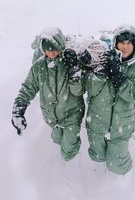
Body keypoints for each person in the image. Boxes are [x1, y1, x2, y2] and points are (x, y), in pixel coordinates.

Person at [11, 27, 85, 161]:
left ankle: (72, 171)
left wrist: (74, 71)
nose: (51, 52)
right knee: (58, 139)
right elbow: (28, 88)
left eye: (54, 48)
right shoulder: (39, 67)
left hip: (72, 112)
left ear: (60, 45)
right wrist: (18, 109)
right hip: (51, 117)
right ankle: (64, 160)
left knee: (69, 146)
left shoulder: (69, 63)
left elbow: (78, 91)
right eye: (47, 49)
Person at [84, 25, 135, 175]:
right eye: (121, 42)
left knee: (117, 163)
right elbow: (90, 89)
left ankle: (120, 186)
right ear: (115, 43)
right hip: (97, 120)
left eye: (129, 43)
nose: (125, 47)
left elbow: (133, 94)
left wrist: (117, 75)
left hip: (121, 124)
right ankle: (99, 177)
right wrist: (100, 74)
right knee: (97, 155)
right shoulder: (103, 60)